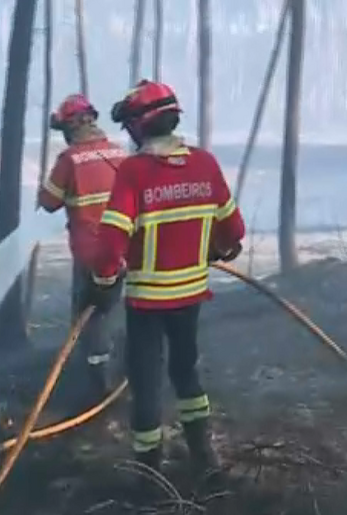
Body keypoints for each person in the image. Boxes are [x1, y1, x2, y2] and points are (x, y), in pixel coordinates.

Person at [87, 80, 246, 476]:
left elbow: (110, 245)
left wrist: (102, 284)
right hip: (191, 297)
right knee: (185, 372)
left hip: (147, 303)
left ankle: (149, 474)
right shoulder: (205, 164)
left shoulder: (134, 172)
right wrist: (218, 250)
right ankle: (203, 456)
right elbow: (233, 232)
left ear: (138, 126)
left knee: (146, 382)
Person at [37, 94, 127, 403]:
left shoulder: (70, 160)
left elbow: (49, 202)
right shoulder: (117, 153)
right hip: (123, 251)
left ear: (71, 127)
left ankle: (96, 385)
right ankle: (118, 370)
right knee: (113, 309)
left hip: (90, 256)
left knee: (91, 318)